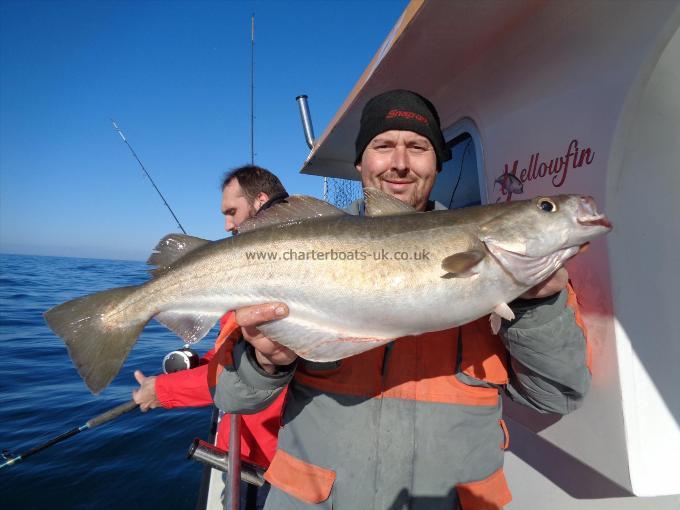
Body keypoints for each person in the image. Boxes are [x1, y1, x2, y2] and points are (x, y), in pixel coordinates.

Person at [211, 91, 591, 509]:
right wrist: (266, 362)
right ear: (360, 162)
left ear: (437, 163)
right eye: (382, 145)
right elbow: (231, 398)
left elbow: (558, 396)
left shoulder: (528, 277)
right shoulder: (295, 250)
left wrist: (532, 306)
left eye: (417, 146)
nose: (399, 162)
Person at [132, 164, 289, 510]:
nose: (227, 225)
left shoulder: (272, 270)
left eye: (232, 212)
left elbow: (239, 374)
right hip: (246, 447)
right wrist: (201, 361)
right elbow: (237, 356)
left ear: (261, 201)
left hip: (266, 462)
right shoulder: (250, 267)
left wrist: (160, 391)